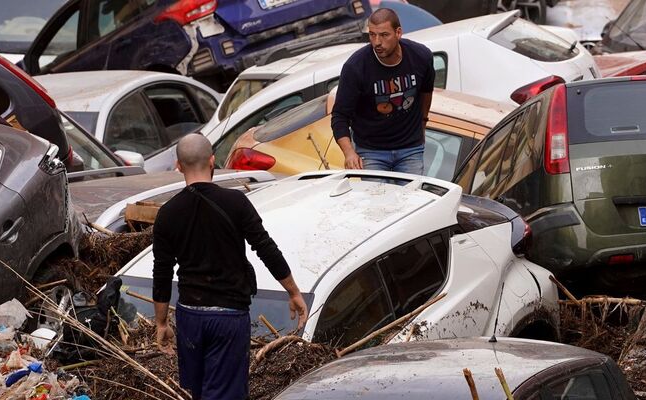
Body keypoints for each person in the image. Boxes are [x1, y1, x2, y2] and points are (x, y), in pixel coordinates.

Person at [151, 134, 308, 400]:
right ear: (213, 161)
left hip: (190, 318)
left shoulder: (167, 213)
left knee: (201, 393)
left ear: (178, 166)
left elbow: (162, 272)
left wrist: (162, 322)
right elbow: (265, 248)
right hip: (228, 318)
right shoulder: (236, 203)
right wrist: (293, 292)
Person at [331, 8, 437, 175]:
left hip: (410, 148)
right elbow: (339, 116)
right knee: (378, 199)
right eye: (372, 35)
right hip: (371, 151)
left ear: (398, 33)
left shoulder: (420, 56)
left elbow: (426, 91)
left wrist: (422, 123)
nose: (377, 42)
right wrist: (349, 153)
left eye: (384, 35)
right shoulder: (356, 67)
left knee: (411, 199)